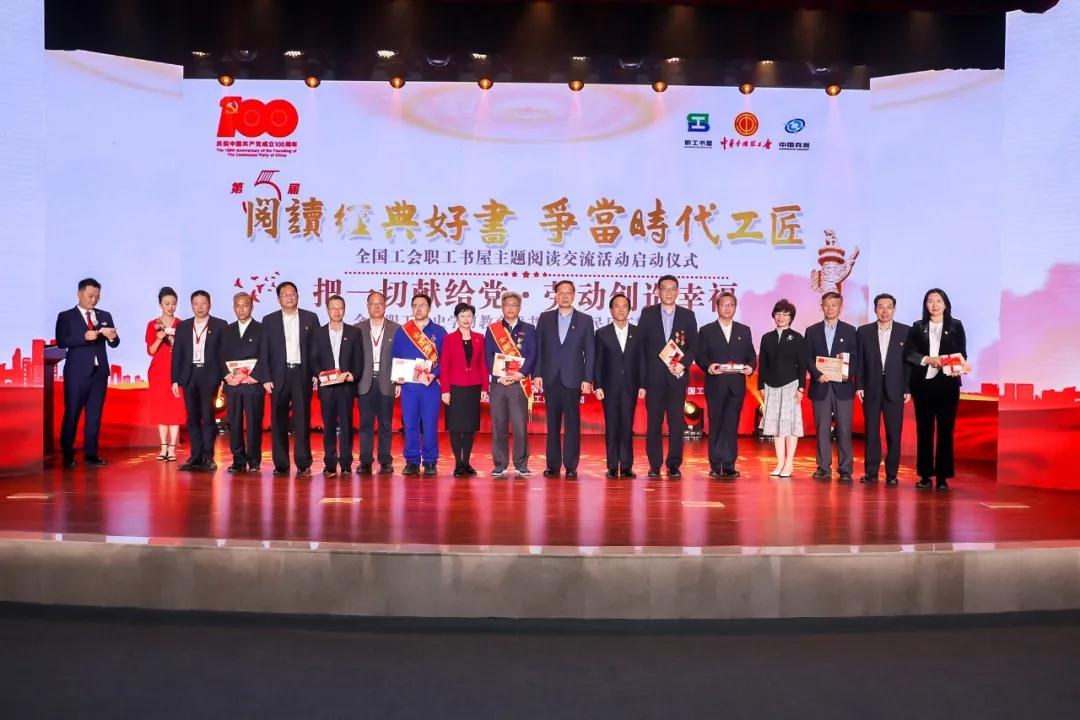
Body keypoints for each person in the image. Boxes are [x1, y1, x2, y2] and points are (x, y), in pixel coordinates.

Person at [256, 282, 320, 476]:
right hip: (278, 376)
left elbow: (316, 349)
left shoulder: (310, 318)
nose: (289, 297)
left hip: (301, 374)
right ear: (279, 299)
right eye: (285, 294)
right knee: (278, 421)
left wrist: (316, 373)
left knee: (302, 420)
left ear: (298, 296)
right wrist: (265, 377)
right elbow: (263, 350)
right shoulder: (269, 320)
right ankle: (281, 464)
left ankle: (303, 463)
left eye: (293, 293)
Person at [637, 274, 698, 479]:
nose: (669, 292)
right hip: (654, 380)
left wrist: (683, 364)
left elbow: (694, 345)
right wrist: (643, 382)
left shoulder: (687, 315)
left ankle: (674, 464)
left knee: (676, 424)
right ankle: (654, 465)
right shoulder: (648, 314)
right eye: (665, 288)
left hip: (677, 378)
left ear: (678, 292)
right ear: (658, 291)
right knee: (653, 424)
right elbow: (642, 350)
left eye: (673, 289)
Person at [906, 288, 967, 491]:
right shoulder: (917, 327)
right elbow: (909, 353)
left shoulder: (956, 326)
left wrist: (953, 364)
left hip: (948, 386)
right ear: (925, 305)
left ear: (945, 304)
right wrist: (927, 359)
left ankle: (942, 477)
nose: (934, 305)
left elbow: (962, 353)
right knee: (924, 431)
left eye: (938, 301)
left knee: (945, 432)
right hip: (923, 386)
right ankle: (925, 475)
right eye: (930, 301)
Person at [56, 278, 120, 468]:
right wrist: (83, 337)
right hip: (76, 374)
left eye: (97, 296)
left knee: (94, 415)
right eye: (90, 296)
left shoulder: (104, 315)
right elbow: (62, 341)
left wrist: (113, 337)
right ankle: (68, 454)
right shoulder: (66, 316)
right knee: (72, 413)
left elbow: (115, 343)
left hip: (99, 373)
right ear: (79, 294)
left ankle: (91, 454)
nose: (94, 300)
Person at [535, 280, 595, 479]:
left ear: (574, 295)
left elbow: (590, 351)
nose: (565, 296)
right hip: (550, 378)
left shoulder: (585, 320)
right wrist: (537, 373)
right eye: (561, 292)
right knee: (552, 424)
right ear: (556, 295)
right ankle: (552, 465)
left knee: (572, 424)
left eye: (569, 292)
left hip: (573, 379)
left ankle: (571, 465)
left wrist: (588, 378)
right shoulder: (545, 318)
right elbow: (539, 348)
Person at [695, 291, 756, 478]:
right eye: (724, 304)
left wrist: (750, 367)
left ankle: (729, 464)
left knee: (731, 425)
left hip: (736, 386)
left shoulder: (744, 330)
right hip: (716, 384)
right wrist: (709, 366)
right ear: (717, 307)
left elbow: (751, 355)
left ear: (735, 307)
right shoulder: (706, 330)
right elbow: (700, 355)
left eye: (731, 305)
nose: (728, 308)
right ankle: (715, 464)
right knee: (716, 425)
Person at [855, 293, 911, 486]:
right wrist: (859, 385)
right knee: (871, 431)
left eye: (889, 307)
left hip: (896, 388)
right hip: (871, 387)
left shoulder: (905, 331)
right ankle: (871, 472)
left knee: (894, 433)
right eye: (881, 307)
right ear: (875, 309)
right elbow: (859, 361)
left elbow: (908, 364)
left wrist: (908, 388)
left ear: (894, 309)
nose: (885, 311)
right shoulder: (863, 332)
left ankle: (892, 474)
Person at [171, 290, 228, 471]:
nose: (200, 307)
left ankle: (208, 457)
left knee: (208, 416)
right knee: (192, 417)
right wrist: (175, 379)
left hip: (209, 375)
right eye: (196, 303)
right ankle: (195, 456)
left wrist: (223, 376)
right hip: (189, 375)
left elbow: (224, 353)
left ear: (209, 304)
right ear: (191, 305)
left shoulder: (220, 325)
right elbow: (177, 354)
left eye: (203, 303)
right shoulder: (183, 326)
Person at [804, 291, 858, 482]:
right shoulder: (811, 331)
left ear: (840, 307)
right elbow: (807, 357)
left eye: (834, 305)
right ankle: (823, 467)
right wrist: (817, 374)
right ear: (821, 306)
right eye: (826, 304)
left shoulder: (850, 330)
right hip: (821, 386)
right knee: (822, 429)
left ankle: (845, 468)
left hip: (843, 387)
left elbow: (855, 358)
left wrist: (845, 373)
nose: (830, 308)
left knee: (844, 429)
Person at [484, 291, 537, 479]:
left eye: (514, 305)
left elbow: (533, 354)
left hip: (519, 384)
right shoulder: (493, 329)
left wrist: (521, 374)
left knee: (520, 427)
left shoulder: (529, 329)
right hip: (499, 384)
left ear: (519, 308)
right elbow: (488, 355)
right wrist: (498, 377)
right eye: (507, 305)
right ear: (502, 307)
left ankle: (521, 464)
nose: (510, 308)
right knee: (499, 426)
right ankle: (500, 464)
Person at [392, 293, 447, 476]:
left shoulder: (439, 331)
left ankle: (430, 461)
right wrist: (397, 379)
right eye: (415, 305)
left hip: (431, 386)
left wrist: (435, 374)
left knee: (430, 425)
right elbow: (396, 357)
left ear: (429, 308)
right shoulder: (403, 331)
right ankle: (412, 461)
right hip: (409, 386)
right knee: (410, 425)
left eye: (422, 305)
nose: (418, 309)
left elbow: (446, 360)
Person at [592, 293, 645, 478]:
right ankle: (613, 466)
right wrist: (597, 385)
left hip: (631, 386)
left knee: (627, 426)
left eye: (624, 306)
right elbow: (597, 361)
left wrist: (643, 385)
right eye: (617, 306)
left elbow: (642, 360)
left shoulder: (638, 333)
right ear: (611, 310)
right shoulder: (602, 333)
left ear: (629, 310)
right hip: (609, 387)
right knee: (612, 425)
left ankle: (627, 465)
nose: (621, 309)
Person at [310, 295, 362, 476]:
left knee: (347, 425)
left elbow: (359, 359)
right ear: (327, 310)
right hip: (327, 387)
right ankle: (330, 462)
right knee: (329, 426)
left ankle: (346, 462)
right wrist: (320, 374)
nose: (337, 311)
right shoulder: (318, 333)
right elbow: (313, 359)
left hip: (346, 386)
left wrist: (352, 375)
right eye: (333, 308)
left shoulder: (354, 332)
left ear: (344, 310)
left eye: (340, 308)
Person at [440, 303, 490, 477]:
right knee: (455, 427)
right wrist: (445, 390)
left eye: (469, 316)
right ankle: (458, 464)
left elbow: (483, 364)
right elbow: (444, 366)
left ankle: (466, 462)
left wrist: (485, 387)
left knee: (469, 427)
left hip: (474, 387)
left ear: (473, 318)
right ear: (456, 318)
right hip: (454, 387)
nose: (466, 319)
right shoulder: (449, 339)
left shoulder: (479, 338)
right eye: (462, 316)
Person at [758, 299, 806, 477]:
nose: (781, 317)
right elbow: (763, 363)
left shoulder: (797, 337)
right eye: (778, 313)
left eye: (785, 314)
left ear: (791, 317)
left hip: (791, 385)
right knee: (775, 426)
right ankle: (779, 463)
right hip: (770, 386)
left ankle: (789, 463)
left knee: (789, 425)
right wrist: (761, 386)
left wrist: (801, 388)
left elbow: (802, 365)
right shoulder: (767, 338)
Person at [355, 291, 401, 475]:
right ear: (367, 306)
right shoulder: (357, 328)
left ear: (385, 306)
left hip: (387, 381)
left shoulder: (396, 329)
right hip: (364, 381)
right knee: (365, 424)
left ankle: (385, 461)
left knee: (385, 424)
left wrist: (398, 380)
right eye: (372, 303)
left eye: (380, 303)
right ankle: (365, 461)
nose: (376, 307)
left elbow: (400, 356)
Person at [219, 291, 264, 473]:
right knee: (235, 423)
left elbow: (267, 355)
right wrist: (225, 374)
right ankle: (238, 459)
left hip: (253, 384)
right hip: (233, 385)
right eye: (237, 306)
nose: (241, 309)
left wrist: (257, 375)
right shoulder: (226, 330)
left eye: (245, 305)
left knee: (253, 423)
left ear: (252, 307)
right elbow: (219, 355)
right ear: (233, 307)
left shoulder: (261, 329)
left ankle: (254, 460)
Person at [144, 286, 184, 462]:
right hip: (158, 371)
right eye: (167, 303)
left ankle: (173, 448)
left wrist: (175, 341)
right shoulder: (152, 324)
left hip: (176, 371)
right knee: (161, 409)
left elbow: (185, 350)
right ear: (160, 304)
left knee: (175, 409)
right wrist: (159, 338)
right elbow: (151, 351)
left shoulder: (181, 324)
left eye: (173, 303)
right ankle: (163, 447)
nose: (170, 307)